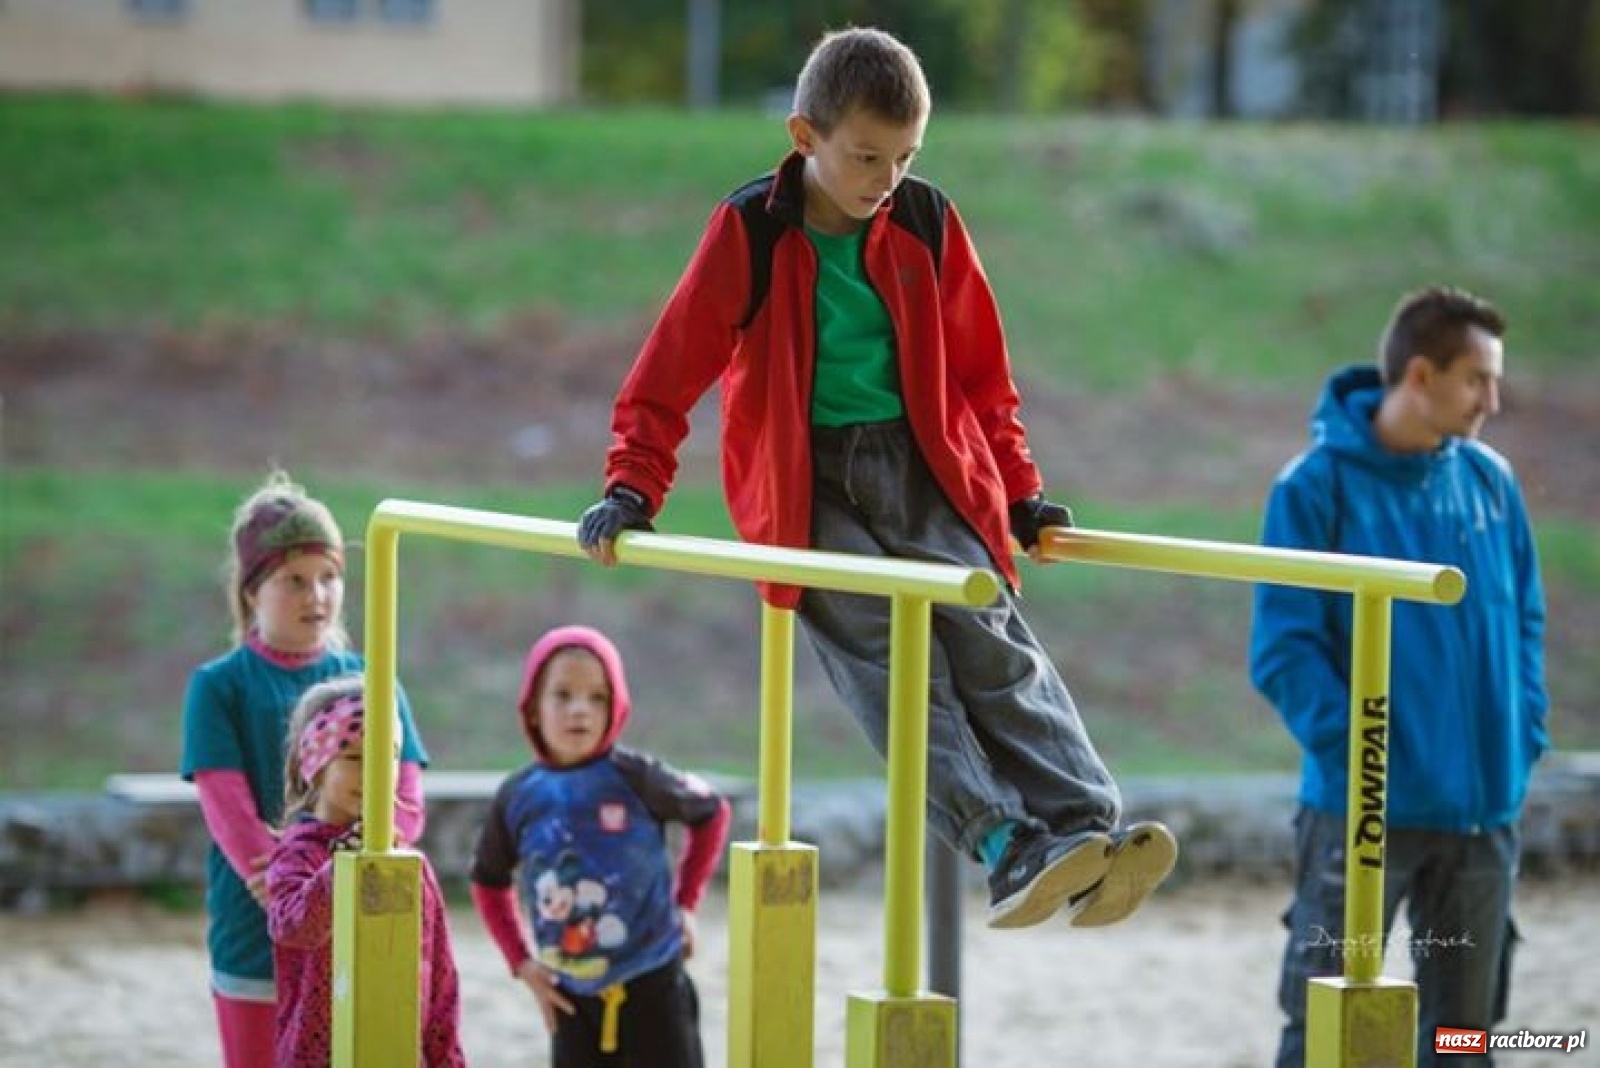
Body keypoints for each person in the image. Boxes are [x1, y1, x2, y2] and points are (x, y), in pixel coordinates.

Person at [576, 25, 1175, 930]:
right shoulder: (750, 230)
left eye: (904, 157)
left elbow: (982, 376)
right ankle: (1004, 846)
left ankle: (1086, 832)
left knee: (990, 641)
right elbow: (668, 372)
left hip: (922, 463)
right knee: (895, 665)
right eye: (865, 156)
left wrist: (1018, 492)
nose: (884, 179)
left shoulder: (928, 222)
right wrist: (632, 489)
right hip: (804, 481)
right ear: (803, 137)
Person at [1250, 286, 1548, 1066]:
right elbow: (1284, 650)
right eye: (1477, 379)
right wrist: (1369, 760)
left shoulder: (1491, 482)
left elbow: (1525, 622)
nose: (1494, 398)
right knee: (1325, 1031)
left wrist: (1523, 736)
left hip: (1484, 813)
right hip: (1362, 817)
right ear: (1420, 375)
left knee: (1463, 1037)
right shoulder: (1314, 488)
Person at [178, 469, 432, 1067]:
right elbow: (225, 803)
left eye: (329, 578)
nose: (316, 596)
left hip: (358, 920)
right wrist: (283, 884)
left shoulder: (374, 677)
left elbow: (408, 801)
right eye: (295, 580)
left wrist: (354, 868)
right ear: (251, 590)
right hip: (255, 925)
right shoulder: (219, 686)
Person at [469, 625, 731, 1067]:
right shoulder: (518, 795)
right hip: (570, 996)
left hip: (655, 982)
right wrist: (522, 963)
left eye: (598, 697)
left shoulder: (638, 777)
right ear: (533, 708)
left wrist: (686, 904)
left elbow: (711, 813)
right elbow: (487, 882)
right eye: (563, 694)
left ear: (618, 707)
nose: (580, 711)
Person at [267, 675, 465, 1067]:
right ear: (316, 766)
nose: (373, 772)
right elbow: (292, 927)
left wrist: (446, 1058)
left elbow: (439, 975)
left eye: (387, 756)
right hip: (316, 1053)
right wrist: (342, 869)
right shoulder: (299, 854)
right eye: (355, 757)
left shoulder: (406, 863)